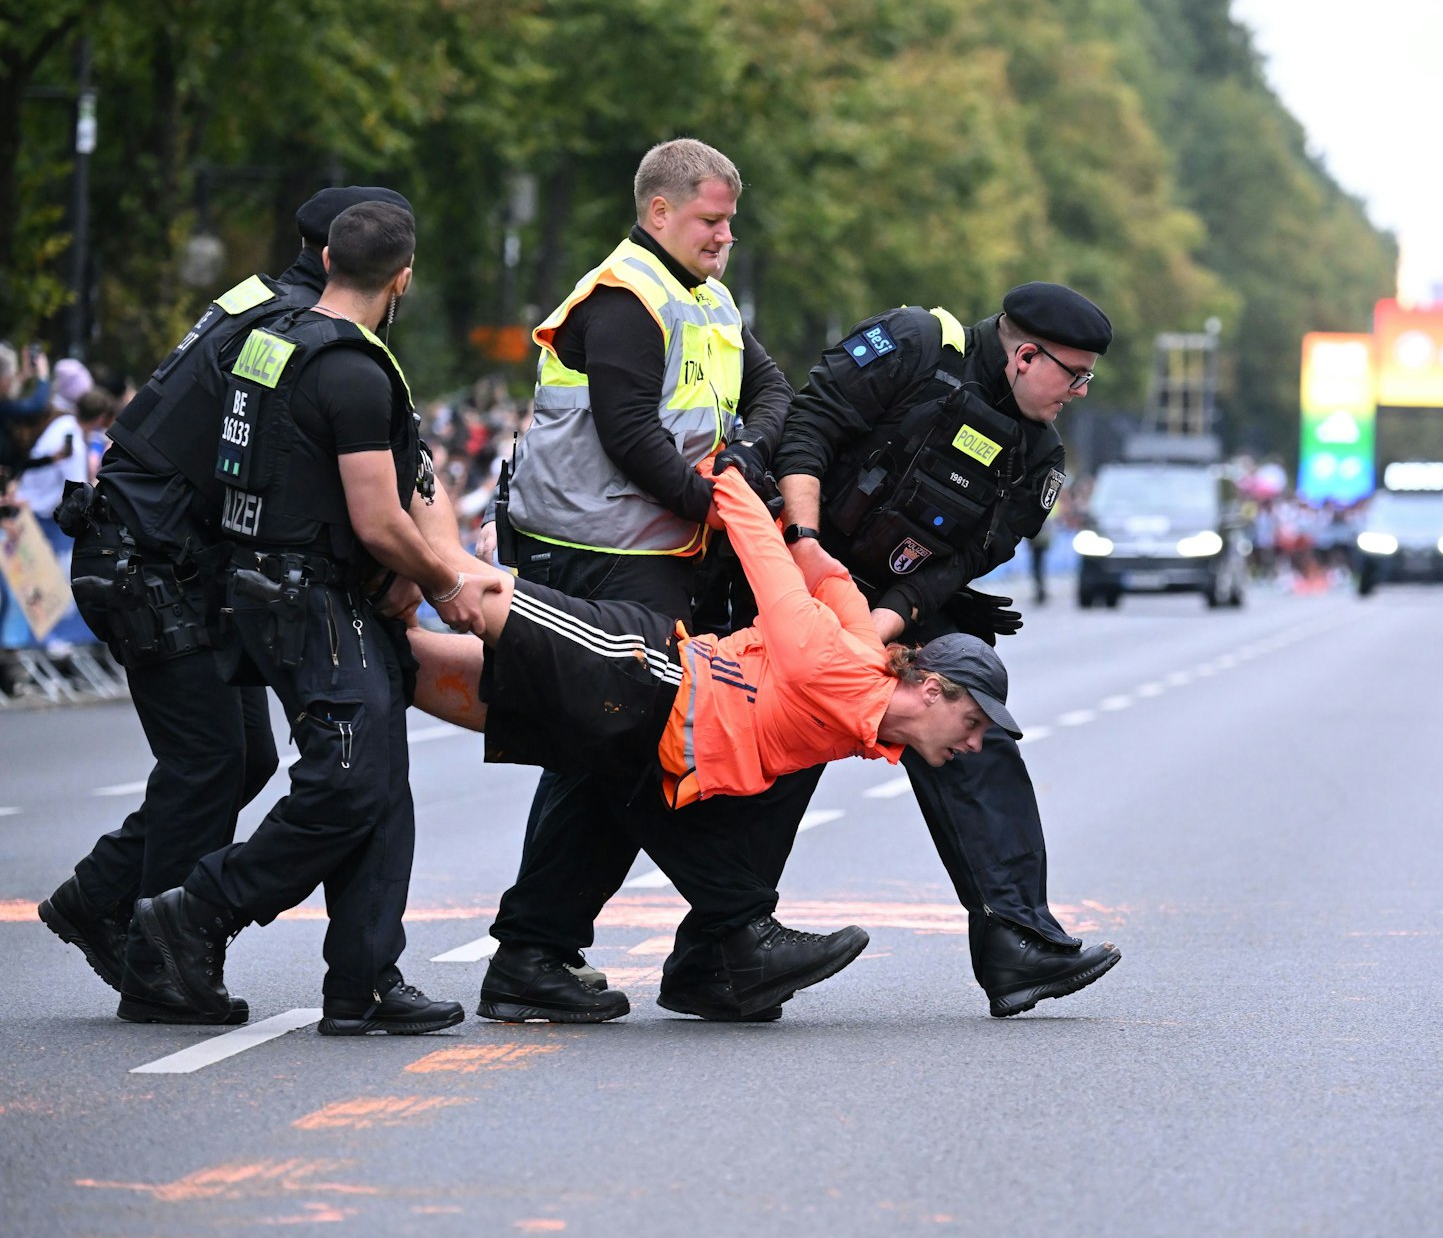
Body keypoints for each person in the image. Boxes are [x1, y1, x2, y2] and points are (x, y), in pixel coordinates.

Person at [480, 138, 866, 1025]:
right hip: (596, 557)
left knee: (602, 750)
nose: (725, 236)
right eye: (711, 219)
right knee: (635, 742)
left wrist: (744, 458)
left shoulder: (710, 301)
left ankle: (536, 952)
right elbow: (627, 434)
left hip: (654, 555)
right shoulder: (624, 298)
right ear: (660, 212)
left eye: (731, 221)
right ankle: (731, 931)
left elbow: (774, 394)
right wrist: (720, 504)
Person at [36, 187, 416, 1026]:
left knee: (240, 759)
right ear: (341, 260)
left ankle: (99, 897)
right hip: (153, 561)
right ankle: (155, 960)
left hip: (164, 555)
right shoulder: (293, 336)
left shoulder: (259, 304)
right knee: (210, 760)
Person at [130, 201, 502, 1036]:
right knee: (349, 781)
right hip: (318, 598)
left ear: (327, 256)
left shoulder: (270, 341)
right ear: (402, 277)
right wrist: (446, 582)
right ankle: (194, 912)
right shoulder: (356, 370)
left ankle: (364, 982)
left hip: (267, 587)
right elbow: (378, 519)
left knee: (378, 781)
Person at [769, 282, 1123, 1017]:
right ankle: (712, 940)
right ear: (1026, 354)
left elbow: (958, 564)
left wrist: (878, 627)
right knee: (756, 726)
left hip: (883, 606)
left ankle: (1017, 939)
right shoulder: (915, 345)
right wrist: (803, 553)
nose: (1081, 391)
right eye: (1074, 374)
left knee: (966, 696)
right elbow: (807, 428)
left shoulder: (1040, 458)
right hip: (779, 565)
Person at [411, 462, 1012, 801]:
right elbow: (772, 573)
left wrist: (795, 531)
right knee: (473, 589)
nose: (975, 745)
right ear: (932, 690)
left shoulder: (869, 679)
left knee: (485, 695)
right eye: (973, 724)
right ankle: (403, 496)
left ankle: (379, 642)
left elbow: (829, 582)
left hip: (648, 735)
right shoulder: (835, 666)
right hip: (649, 677)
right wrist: (729, 479)